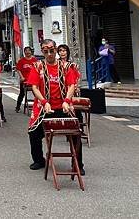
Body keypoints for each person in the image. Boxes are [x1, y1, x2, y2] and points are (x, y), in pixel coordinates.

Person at [27, 39, 84, 175]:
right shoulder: (37, 66)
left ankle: (77, 164)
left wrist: (67, 100)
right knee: (33, 132)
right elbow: (34, 87)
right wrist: (44, 101)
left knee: (76, 132)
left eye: (52, 50)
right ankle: (39, 160)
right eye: (46, 51)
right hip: (44, 107)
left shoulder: (65, 66)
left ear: (56, 50)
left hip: (63, 107)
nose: (49, 54)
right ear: (42, 51)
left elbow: (71, 85)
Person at [15, 47, 37, 113]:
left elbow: (37, 69)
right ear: (24, 52)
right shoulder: (22, 60)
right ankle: (18, 107)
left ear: (31, 52)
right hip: (24, 80)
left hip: (33, 81)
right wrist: (21, 77)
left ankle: (37, 106)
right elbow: (18, 69)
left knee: (36, 93)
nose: (27, 52)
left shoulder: (34, 60)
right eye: (26, 51)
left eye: (29, 51)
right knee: (22, 94)